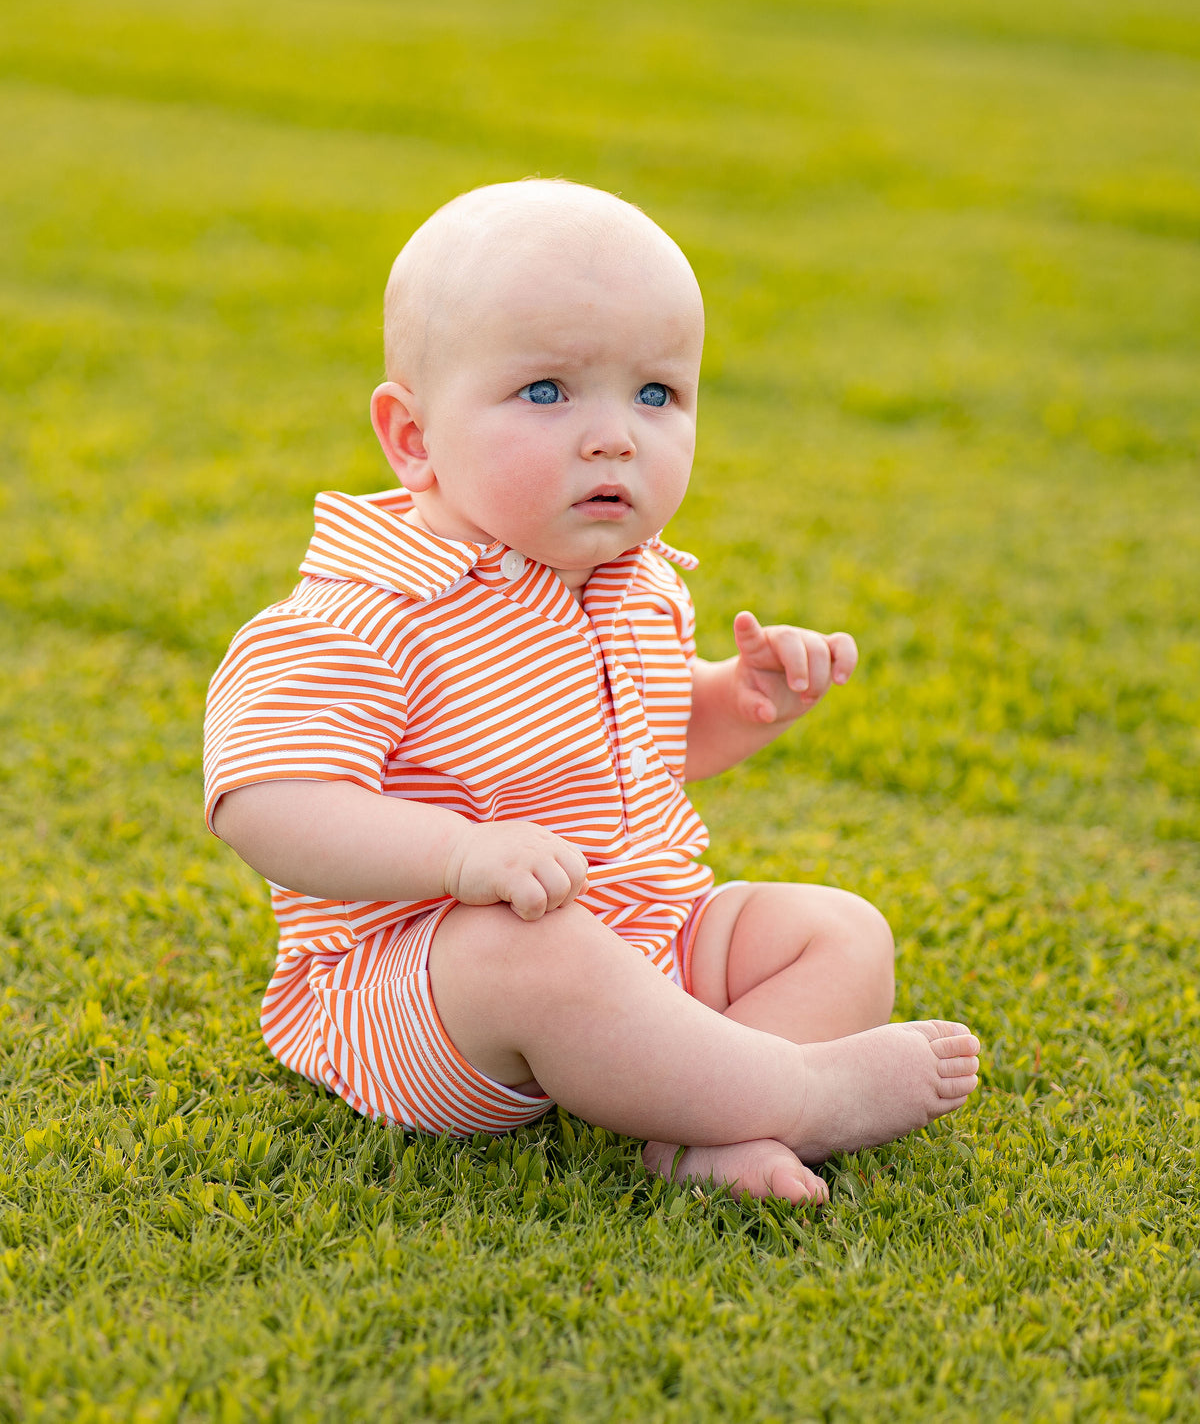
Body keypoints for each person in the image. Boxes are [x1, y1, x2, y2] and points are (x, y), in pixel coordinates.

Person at [204, 179, 980, 1206]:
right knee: (532, 952)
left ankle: (703, 1127)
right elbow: (266, 803)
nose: (615, 436)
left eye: (656, 395)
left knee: (840, 932)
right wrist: (459, 854)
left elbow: (643, 743)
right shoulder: (367, 609)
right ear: (414, 438)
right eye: (547, 392)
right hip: (427, 988)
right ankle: (794, 1092)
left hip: (642, 933)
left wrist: (740, 702)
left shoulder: (633, 579)